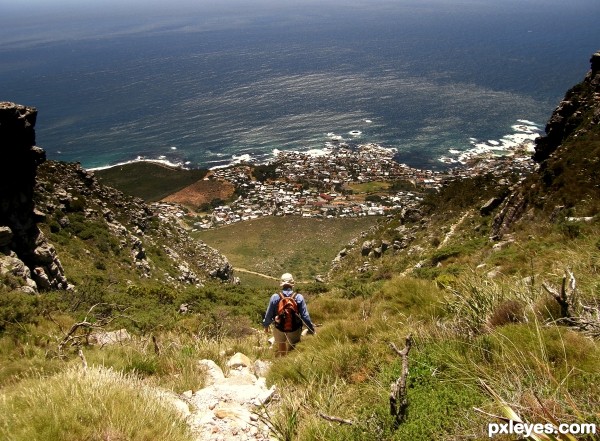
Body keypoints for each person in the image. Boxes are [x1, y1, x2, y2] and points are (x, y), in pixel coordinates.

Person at [262, 273, 315, 356]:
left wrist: (266, 326)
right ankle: (291, 361)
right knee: (294, 345)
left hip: (279, 327)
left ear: (282, 284)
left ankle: (283, 359)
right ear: (292, 284)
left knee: (281, 343)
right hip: (294, 328)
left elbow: (268, 315)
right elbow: (305, 316)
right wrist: (311, 329)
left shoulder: (275, 297)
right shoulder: (299, 297)